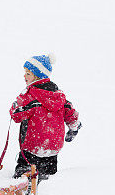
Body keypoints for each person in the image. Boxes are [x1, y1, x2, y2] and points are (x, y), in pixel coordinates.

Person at [9, 54, 81, 182]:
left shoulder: (30, 95)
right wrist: (74, 128)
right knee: (47, 181)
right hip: (53, 148)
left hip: (32, 146)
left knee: (22, 178)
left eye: (28, 73)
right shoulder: (59, 95)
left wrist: (15, 105)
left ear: (37, 76)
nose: (24, 76)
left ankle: (21, 194)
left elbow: (16, 115)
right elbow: (71, 114)